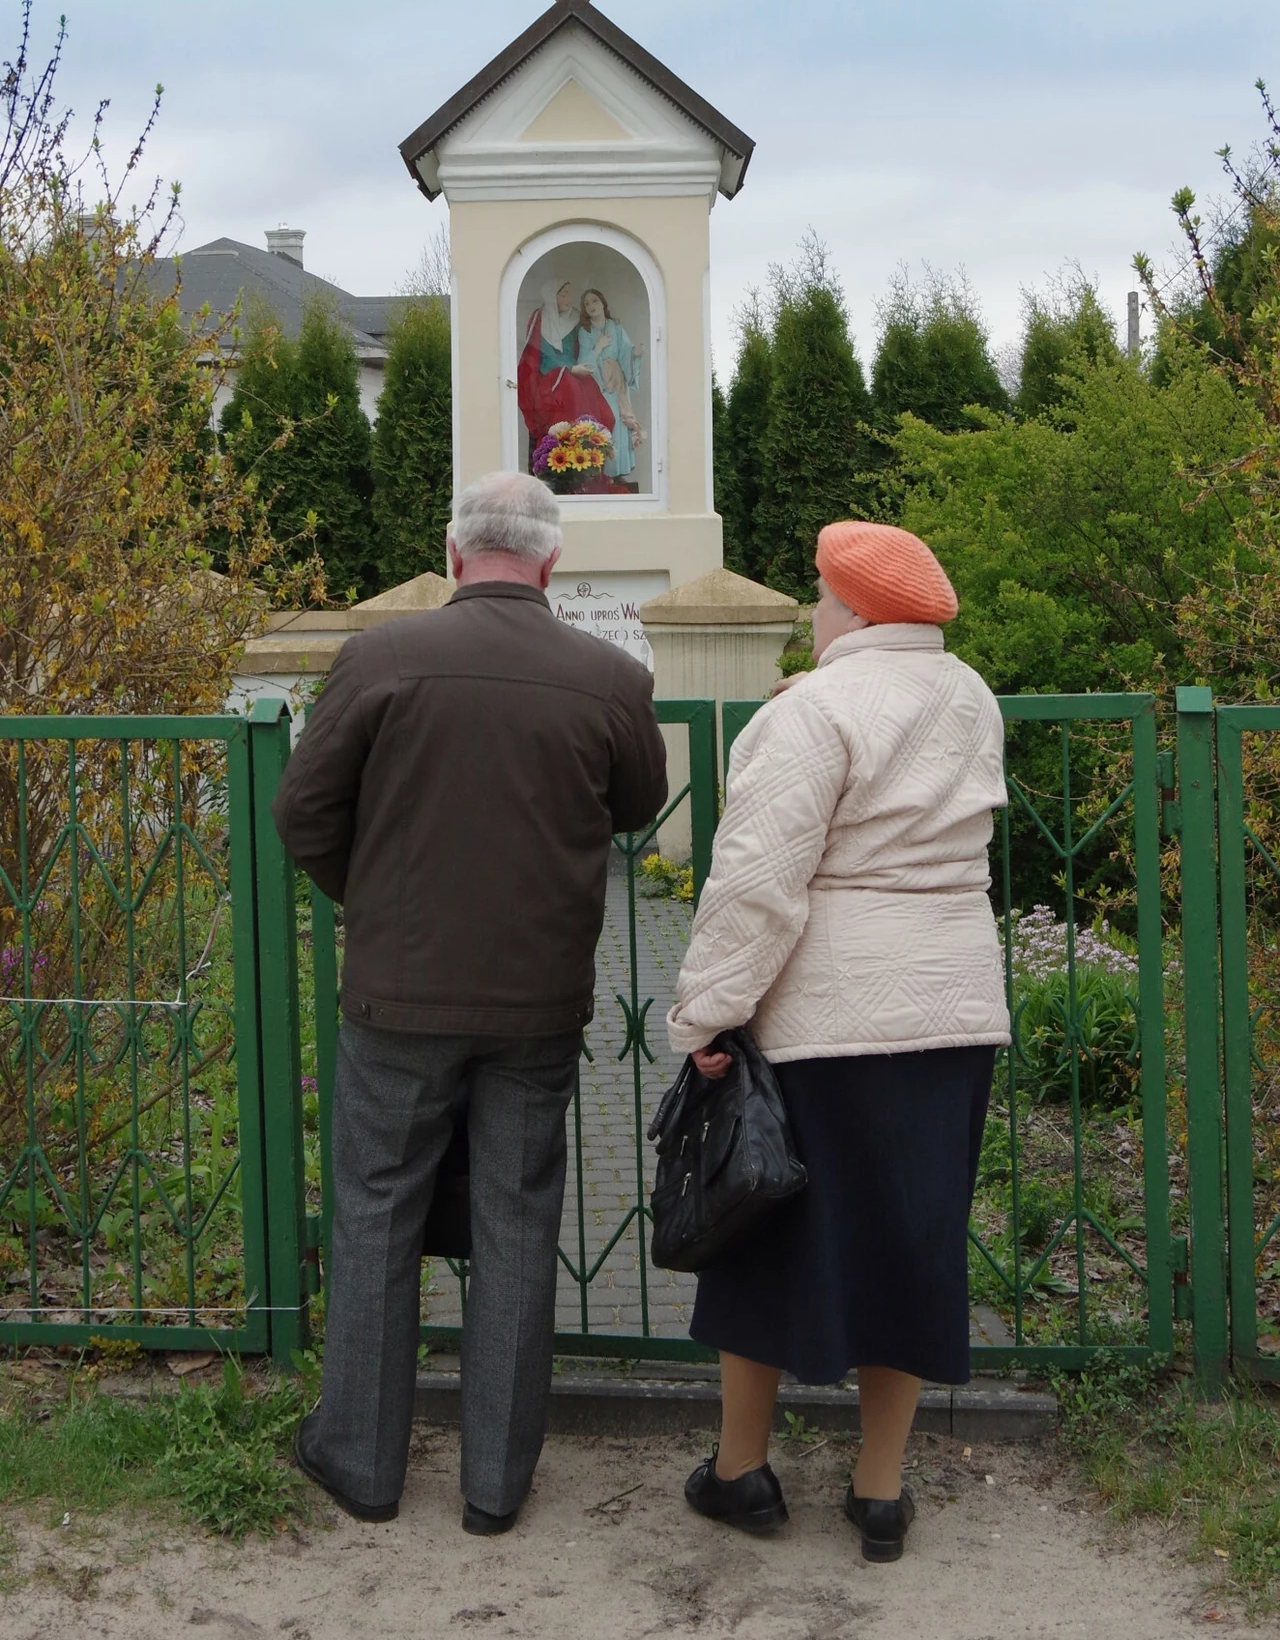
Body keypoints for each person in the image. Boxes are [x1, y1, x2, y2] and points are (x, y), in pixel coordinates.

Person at [273, 471, 667, 1533]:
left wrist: (382, 901)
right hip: (536, 1002)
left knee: (374, 1212)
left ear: (453, 556)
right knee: (517, 1218)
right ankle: (495, 1485)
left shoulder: (377, 658)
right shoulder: (607, 678)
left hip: (397, 994)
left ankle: (359, 1459)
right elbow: (636, 804)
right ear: (549, 563)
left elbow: (303, 812)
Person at [666, 521, 1010, 1562]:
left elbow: (756, 885)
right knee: (910, 1238)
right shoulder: (971, 697)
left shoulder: (809, 712)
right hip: (951, 1008)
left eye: (818, 596)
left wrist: (705, 1014)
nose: (812, 611)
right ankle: (878, 1493)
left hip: (828, 1015)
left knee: (759, 1229)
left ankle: (741, 1473)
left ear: (853, 610)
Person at [517, 277, 615, 445]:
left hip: (577, 372)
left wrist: (609, 330)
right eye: (563, 295)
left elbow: (587, 341)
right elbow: (537, 354)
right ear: (551, 296)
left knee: (602, 411)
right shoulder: (540, 318)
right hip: (548, 378)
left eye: (569, 295)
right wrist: (569, 370)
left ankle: (589, 450)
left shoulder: (576, 317)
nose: (568, 299)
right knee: (570, 391)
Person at [572, 288, 643, 482]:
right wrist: (599, 347)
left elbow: (625, 353)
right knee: (604, 421)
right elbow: (583, 361)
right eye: (587, 304)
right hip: (598, 384)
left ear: (603, 303)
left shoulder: (616, 328)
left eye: (594, 301)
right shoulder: (584, 332)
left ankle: (618, 472)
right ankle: (603, 473)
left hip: (617, 384)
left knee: (619, 424)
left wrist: (635, 355)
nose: (591, 306)